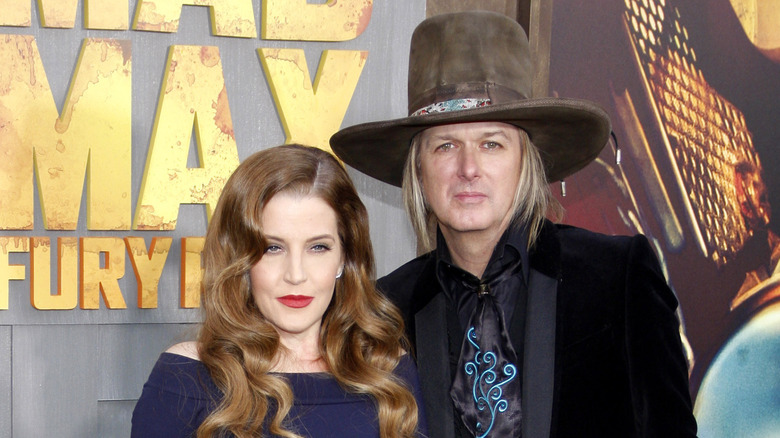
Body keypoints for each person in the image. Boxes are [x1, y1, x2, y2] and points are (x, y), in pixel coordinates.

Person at [330, 10, 697, 438]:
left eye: (491, 144)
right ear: (418, 171)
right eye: (445, 146)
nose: (468, 168)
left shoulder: (619, 277)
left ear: (526, 160)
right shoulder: (385, 310)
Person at [131, 144, 427, 438]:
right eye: (272, 248)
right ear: (240, 259)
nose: (295, 275)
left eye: (318, 247)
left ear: (344, 259)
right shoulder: (185, 377)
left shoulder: (387, 370)